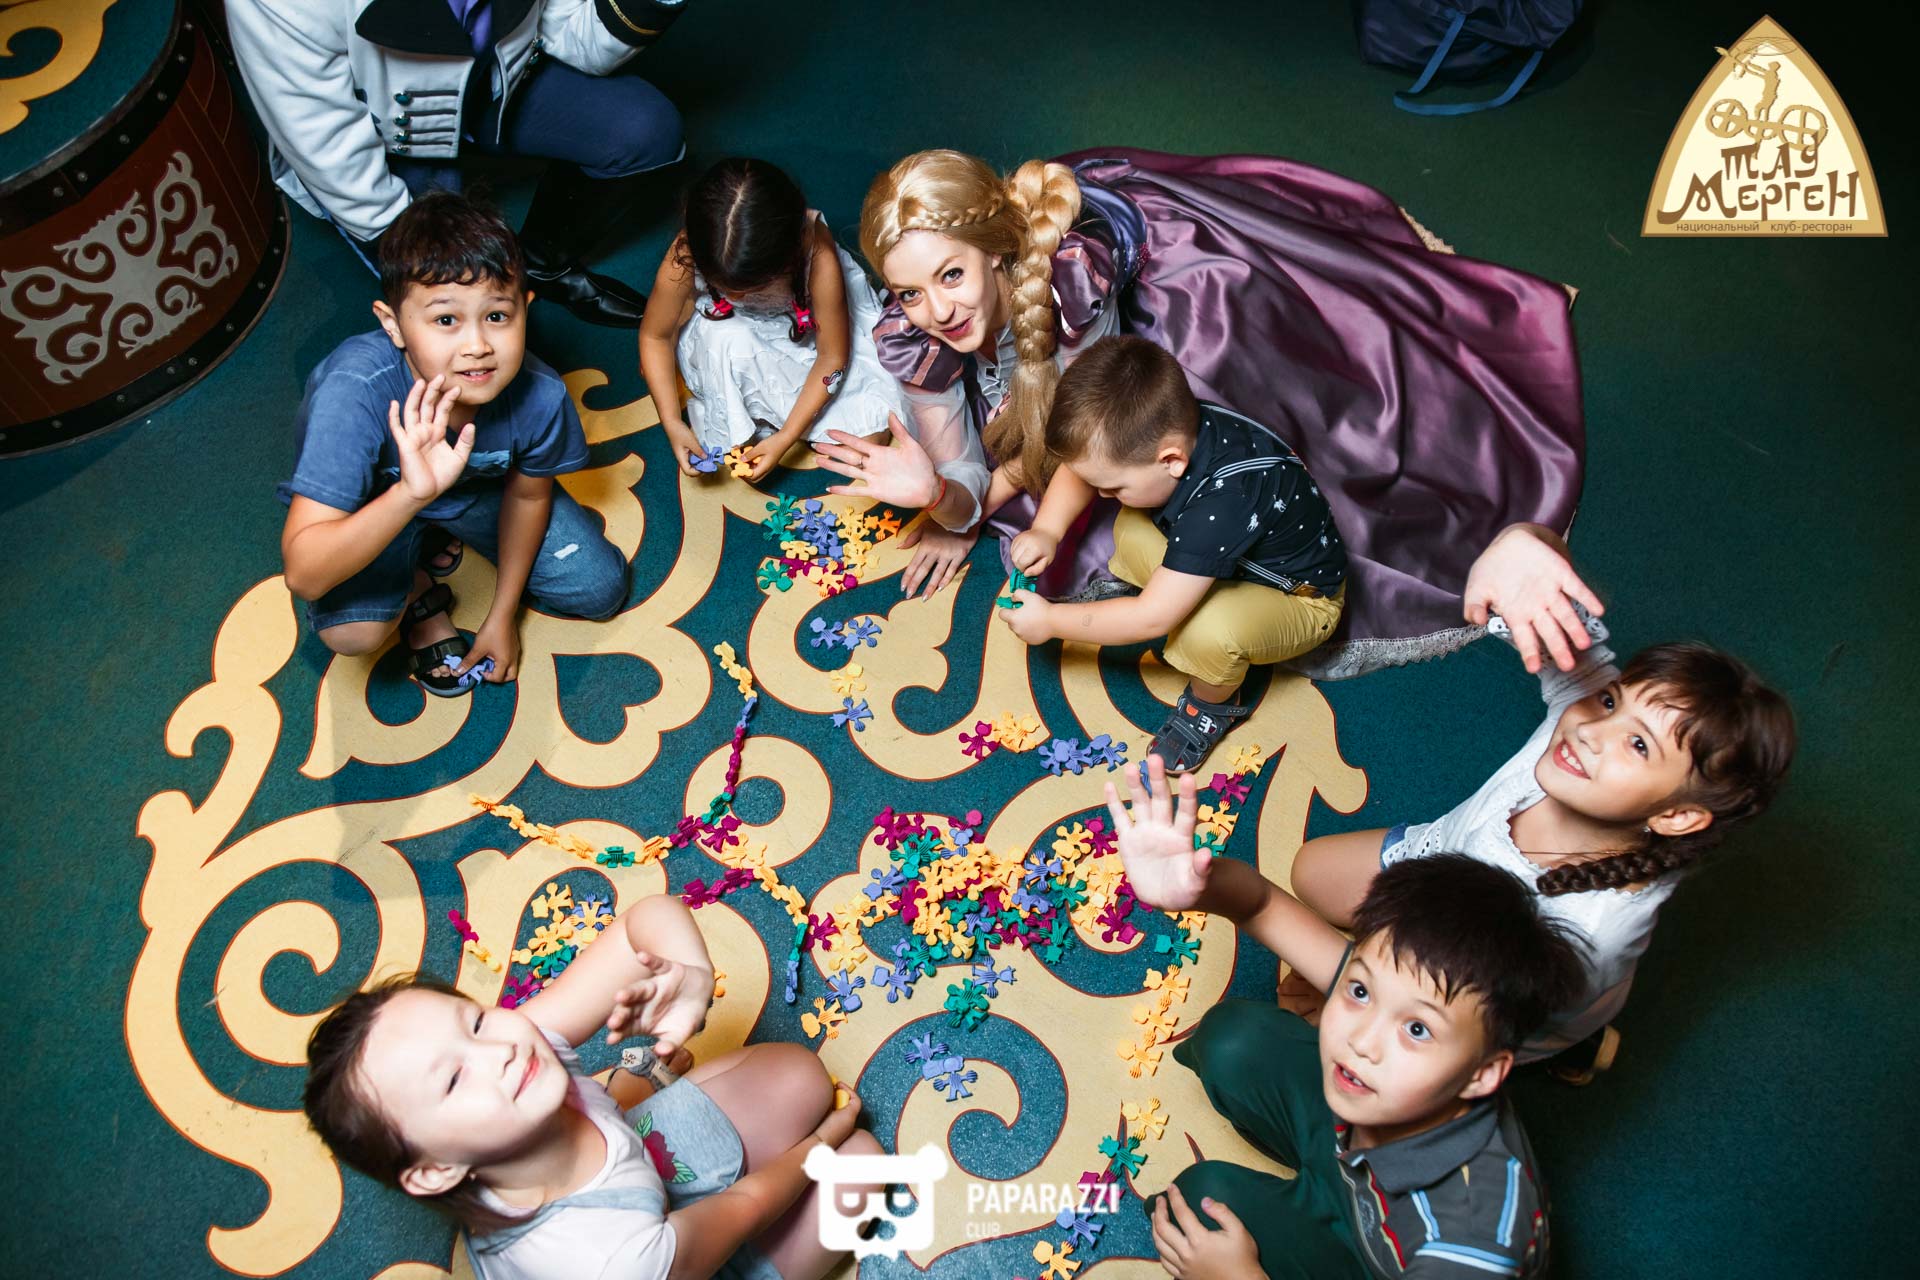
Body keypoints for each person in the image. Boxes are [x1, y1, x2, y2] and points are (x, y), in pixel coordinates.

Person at [815, 148, 1583, 676]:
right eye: (910, 291)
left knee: (1243, 374)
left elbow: (1077, 442)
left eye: (951, 275)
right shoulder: (914, 335)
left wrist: (1002, 511)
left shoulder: (1069, 286)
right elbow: (968, 481)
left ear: (995, 252)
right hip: (1057, 377)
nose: (937, 311)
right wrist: (941, 498)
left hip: (1141, 327)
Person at [1286, 522, 1796, 1066]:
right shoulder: (1581, 726)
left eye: (1638, 745)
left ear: (1676, 817)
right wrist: (1520, 544)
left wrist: (1346, 977)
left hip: (1488, 989)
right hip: (1437, 858)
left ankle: (1567, 1049)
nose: (1591, 729)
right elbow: (1541, 601)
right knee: (1309, 871)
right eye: (1611, 702)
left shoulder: (1589, 933)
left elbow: (1443, 1004)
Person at [1109, 757, 1588, 1280]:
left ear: (1483, 1073)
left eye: (1416, 1029)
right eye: (1360, 991)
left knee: (1198, 1205)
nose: (1361, 1039)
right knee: (1232, 1039)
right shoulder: (1395, 1024)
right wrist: (1194, 886)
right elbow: (1261, 904)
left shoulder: (1474, 1244)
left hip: (1377, 1261)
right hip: (1354, 1147)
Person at [302, 890, 884, 1280]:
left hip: (639, 1191)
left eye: (474, 1021)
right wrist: (821, 1143)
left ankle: (629, 1091)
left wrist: (691, 972)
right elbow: (745, 1207)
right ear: (435, 1170)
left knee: (801, 1076)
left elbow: (643, 923)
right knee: (862, 1161)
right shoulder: (605, 1261)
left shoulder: (516, 1059)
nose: (497, 1050)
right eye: (454, 1079)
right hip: (671, 1262)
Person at [278, 192, 627, 696]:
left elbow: (529, 496)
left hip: (474, 491)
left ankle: (429, 536)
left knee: (601, 590)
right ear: (393, 325)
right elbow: (304, 575)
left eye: (497, 316)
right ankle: (418, 585)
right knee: (352, 633)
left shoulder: (542, 394)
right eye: (446, 320)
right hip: (378, 501)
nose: (477, 346)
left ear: (525, 310)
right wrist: (411, 495)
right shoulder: (353, 392)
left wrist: (503, 615)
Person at [1000, 336, 1348, 773]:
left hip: (1298, 598)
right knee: (1130, 526)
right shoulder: (1166, 427)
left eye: (1112, 486)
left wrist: (1051, 621)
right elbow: (1081, 467)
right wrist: (1047, 529)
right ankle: (1181, 587)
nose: (1102, 494)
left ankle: (1209, 706)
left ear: (1171, 460)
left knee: (1206, 633)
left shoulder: (1224, 505)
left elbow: (1152, 619)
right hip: (1229, 554)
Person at [226, 0, 691, 327]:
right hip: (391, 139)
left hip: (497, 82)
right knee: (469, 329)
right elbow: (327, 148)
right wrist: (451, 283)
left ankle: (541, 265)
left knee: (646, 130)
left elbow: (572, 32)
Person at [639, 159, 906, 480]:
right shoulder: (688, 250)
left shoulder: (817, 256)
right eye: (724, 286)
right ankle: (758, 405)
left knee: (866, 446)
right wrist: (672, 422)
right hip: (726, 331)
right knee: (727, 341)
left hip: (810, 332)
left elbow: (833, 358)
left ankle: (773, 419)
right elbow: (655, 336)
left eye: (750, 289)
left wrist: (785, 438)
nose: (736, 297)